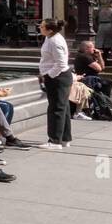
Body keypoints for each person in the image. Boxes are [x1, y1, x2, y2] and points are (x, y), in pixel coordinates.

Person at [39, 18, 72, 149]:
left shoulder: (55, 41)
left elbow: (61, 63)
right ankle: (64, 138)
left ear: (50, 30)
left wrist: (48, 75)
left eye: (42, 26)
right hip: (59, 77)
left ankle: (54, 141)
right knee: (63, 108)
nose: (39, 27)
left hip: (58, 78)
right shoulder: (51, 37)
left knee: (56, 109)